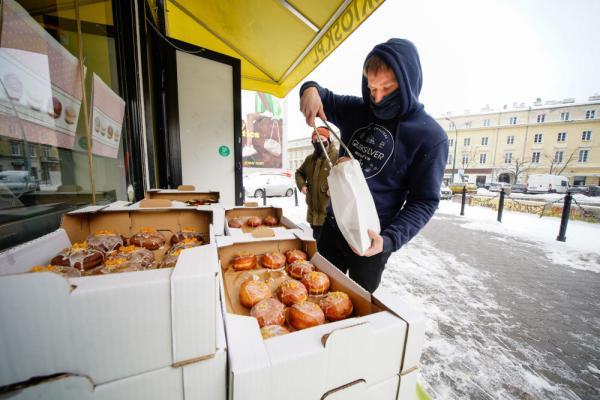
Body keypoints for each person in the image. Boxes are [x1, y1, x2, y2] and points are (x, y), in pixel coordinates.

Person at [299, 38, 448, 293]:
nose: (377, 98)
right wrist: (309, 88)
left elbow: (424, 201)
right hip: (333, 227)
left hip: (372, 239)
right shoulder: (358, 109)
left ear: (408, 82)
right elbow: (321, 94)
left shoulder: (430, 137)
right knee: (316, 293)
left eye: (387, 88)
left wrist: (390, 239)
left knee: (355, 307)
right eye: (372, 88)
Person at [295, 127, 339, 240]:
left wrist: (335, 188)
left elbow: (346, 179)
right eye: (315, 140)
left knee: (329, 250)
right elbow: (299, 173)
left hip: (331, 217)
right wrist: (302, 186)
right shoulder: (310, 159)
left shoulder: (337, 157)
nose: (317, 142)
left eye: (321, 139)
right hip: (313, 216)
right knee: (316, 246)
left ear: (328, 139)